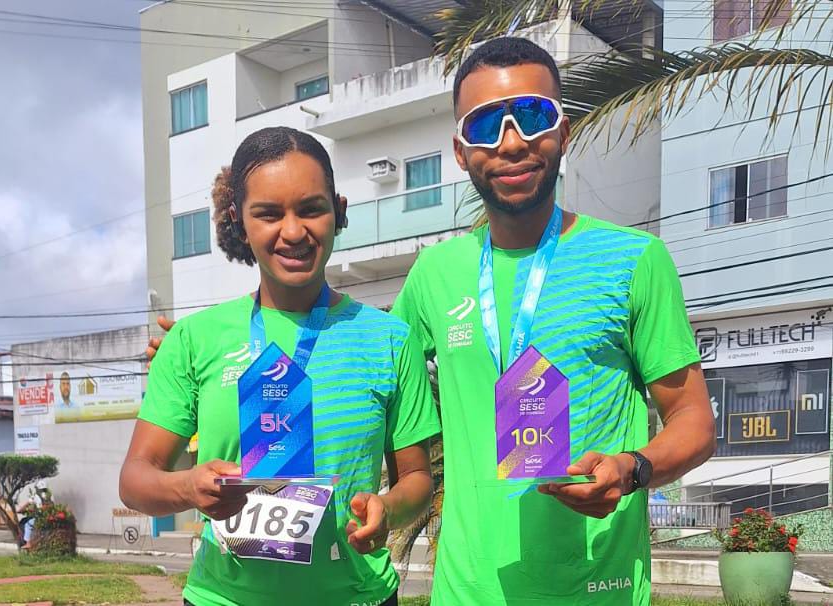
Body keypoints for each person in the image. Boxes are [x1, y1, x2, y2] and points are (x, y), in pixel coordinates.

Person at [147, 38, 716, 605]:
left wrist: (633, 468)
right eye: (486, 125)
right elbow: (354, 357)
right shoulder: (434, 275)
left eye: (534, 115)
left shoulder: (635, 260)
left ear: (563, 131)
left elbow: (693, 421)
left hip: (598, 590)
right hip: (462, 592)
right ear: (460, 148)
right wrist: (205, 351)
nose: (511, 142)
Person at [121, 127, 440, 606]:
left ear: (340, 211)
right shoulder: (193, 340)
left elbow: (416, 479)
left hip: (358, 597)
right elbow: (135, 479)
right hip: (223, 598)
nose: (293, 232)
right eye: (268, 214)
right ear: (240, 221)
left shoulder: (390, 338)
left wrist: (386, 508)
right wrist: (188, 485)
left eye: (311, 208)